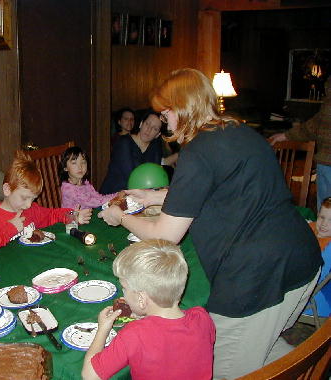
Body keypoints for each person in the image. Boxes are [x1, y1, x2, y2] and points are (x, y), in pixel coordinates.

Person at [99, 68, 322, 379]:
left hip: (259, 278)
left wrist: (121, 216)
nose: (165, 121)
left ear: (181, 107)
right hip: (302, 261)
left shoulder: (197, 151)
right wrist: (152, 197)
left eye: (166, 112)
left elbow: (165, 235)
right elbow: (215, 191)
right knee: (263, 348)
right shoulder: (238, 131)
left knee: (217, 365)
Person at [82, 239, 215, 380]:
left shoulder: (134, 334)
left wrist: (103, 329)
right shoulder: (202, 317)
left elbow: (90, 375)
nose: (123, 294)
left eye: (125, 288)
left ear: (142, 299)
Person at [0, 150, 92, 254]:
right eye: (24, 198)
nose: (29, 204)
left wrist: (72, 216)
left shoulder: (30, 209)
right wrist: (10, 229)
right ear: (7, 189)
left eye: (33, 199)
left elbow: (51, 215)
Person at [269, 76, 331, 209]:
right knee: (326, 215)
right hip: (325, 162)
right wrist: (287, 135)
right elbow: (316, 124)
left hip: (326, 163)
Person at [100, 110, 177, 194]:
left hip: (137, 198)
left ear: (157, 135)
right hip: (113, 196)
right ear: (141, 124)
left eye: (155, 128)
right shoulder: (124, 143)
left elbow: (154, 175)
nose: (149, 129)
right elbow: (131, 176)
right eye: (147, 124)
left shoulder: (155, 148)